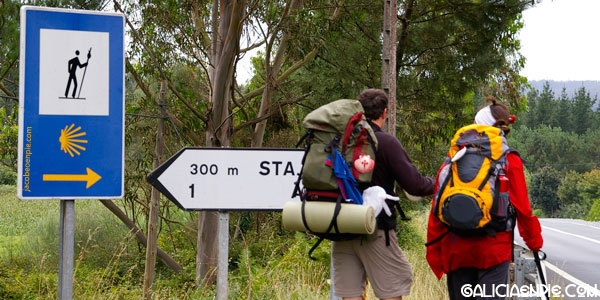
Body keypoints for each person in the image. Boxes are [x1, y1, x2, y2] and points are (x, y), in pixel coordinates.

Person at [426, 96, 543, 300]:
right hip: (494, 253)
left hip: (457, 251)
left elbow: (437, 208)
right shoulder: (510, 160)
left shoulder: (454, 157)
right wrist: (534, 243)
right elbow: (523, 209)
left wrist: (434, 252)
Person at [332, 88, 435, 300]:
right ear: (385, 113)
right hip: (375, 231)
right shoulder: (386, 143)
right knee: (391, 294)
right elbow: (415, 185)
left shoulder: (341, 142)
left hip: (341, 227)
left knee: (350, 296)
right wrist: (442, 182)